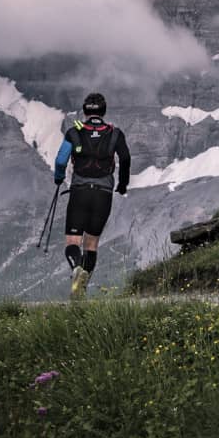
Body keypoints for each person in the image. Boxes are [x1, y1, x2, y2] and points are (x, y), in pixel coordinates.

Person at [52, 92, 130, 297]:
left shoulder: (73, 132)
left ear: (85, 111)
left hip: (80, 192)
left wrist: (59, 178)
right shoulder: (115, 133)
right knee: (92, 243)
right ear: (103, 112)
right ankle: (82, 287)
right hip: (103, 194)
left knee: (72, 242)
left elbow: (61, 161)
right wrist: (122, 185)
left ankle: (76, 269)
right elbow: (126, 158)